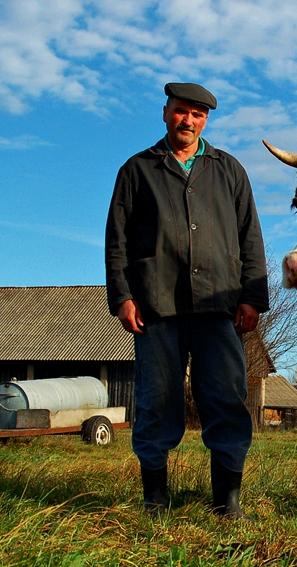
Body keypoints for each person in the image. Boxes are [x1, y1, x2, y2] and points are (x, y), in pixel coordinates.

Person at [105, 82, 269, 518]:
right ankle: (155, 499)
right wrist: (123, 296)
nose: (188, 121)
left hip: (220, 304)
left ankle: (226, 501)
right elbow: (117, 241)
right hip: (157, 305)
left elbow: (251, 237)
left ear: (206, 120)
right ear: (165, 113)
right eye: (181, 112)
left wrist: (253, 295)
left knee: (226, 398)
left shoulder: (229, 170)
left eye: (197, 115)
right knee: (157, 398)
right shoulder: (137, 170)